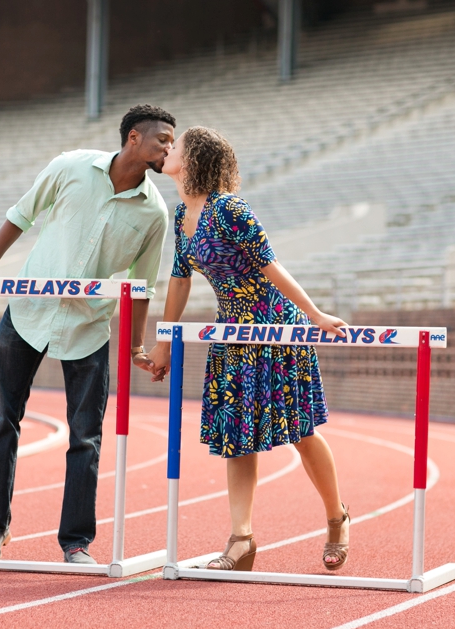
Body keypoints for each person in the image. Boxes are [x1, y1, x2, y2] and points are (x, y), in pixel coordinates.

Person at [0, 104, 175, 563]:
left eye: (172, 141)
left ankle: (75, 543)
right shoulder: (70, 167)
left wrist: (134, 345)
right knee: (0, 423)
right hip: (27, 313)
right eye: (162, 140)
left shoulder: (155, 213)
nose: (170, 148)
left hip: (89, 327)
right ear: (133, 137)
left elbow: (141, 286)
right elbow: (20, 215)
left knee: (86, 436)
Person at [147, 126, 351, 572]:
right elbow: (180, 280)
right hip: (232, 334)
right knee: (237, 438)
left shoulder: (230, 210)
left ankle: (337, 517)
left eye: (175, 146)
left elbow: (271, 265)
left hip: (276, 328)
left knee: (300, 431)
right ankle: (241, 541)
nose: (168, 150)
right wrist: (164, 341)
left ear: (194, 158)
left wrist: (315, 315)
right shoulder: (182, 216)